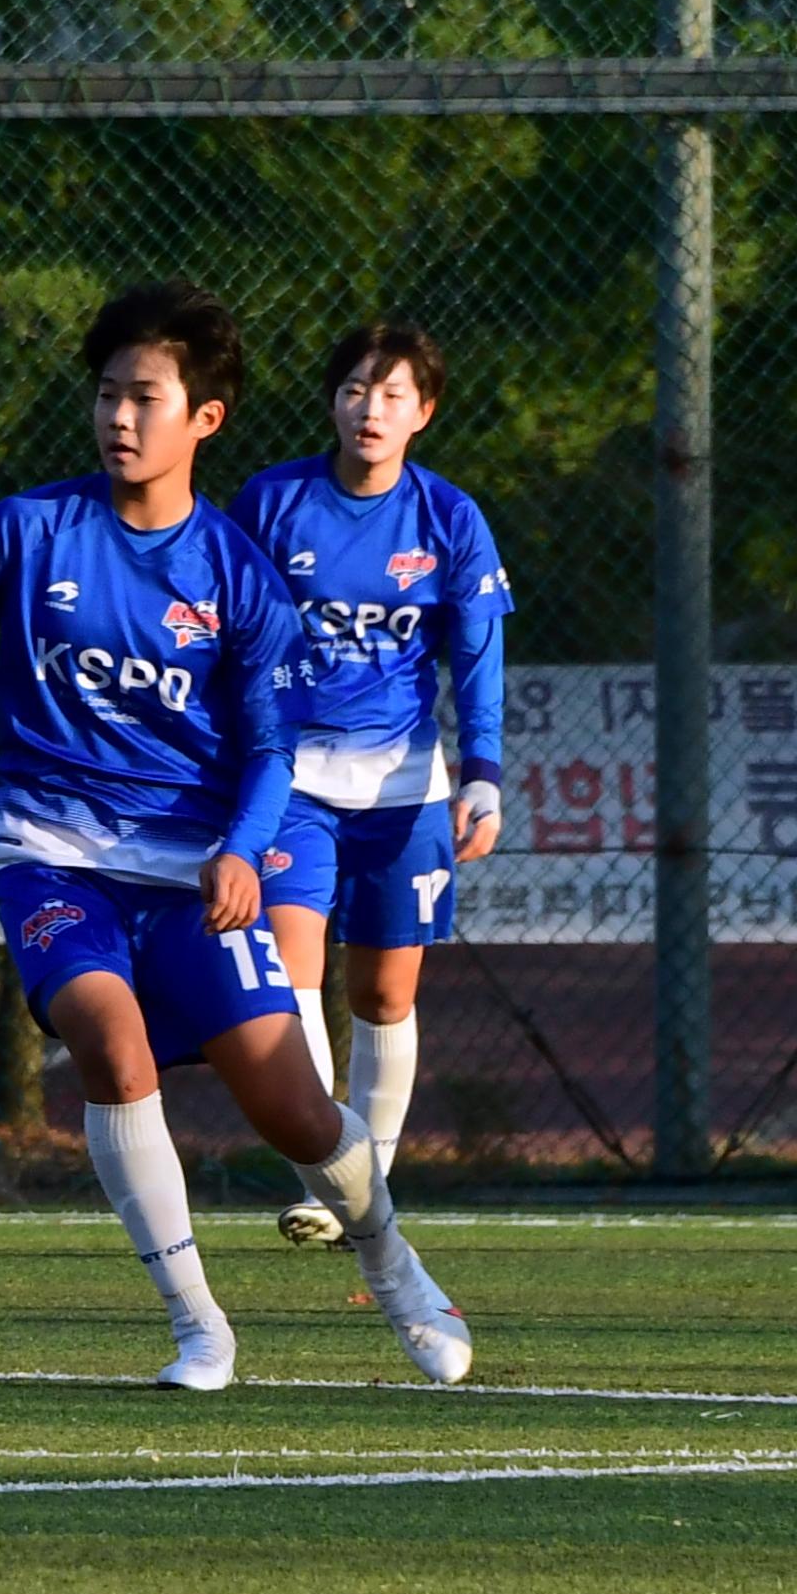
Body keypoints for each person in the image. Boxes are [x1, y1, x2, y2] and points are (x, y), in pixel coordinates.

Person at [0, 282, 469, 1391]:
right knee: (109, 1042)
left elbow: (272, 747)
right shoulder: (32, 526)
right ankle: (200, 1325)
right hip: (52, 856)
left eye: (146, 396)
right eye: (106, 394)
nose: (120, 417)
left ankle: (390, 1261)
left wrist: (241, 849)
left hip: (191, 871)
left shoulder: (237, 572)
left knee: (291, 1106)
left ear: (207, 419)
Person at [238, 321, 512, 1246]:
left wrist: (483, 777)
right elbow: (221, 634)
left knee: (386, 998)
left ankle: (373, 1177)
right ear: (332, 401)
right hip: (292, 783)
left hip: (406, 793)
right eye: (356, 388)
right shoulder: (271, 503)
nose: (371, 409)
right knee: (287, 976)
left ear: (423, 413)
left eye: (394, 394)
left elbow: (477, 657)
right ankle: (332, 1179)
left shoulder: (450, 519)